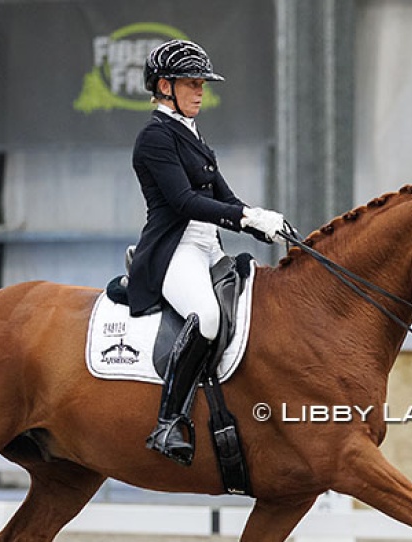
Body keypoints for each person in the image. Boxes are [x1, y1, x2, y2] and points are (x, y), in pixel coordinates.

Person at [127, 39, 284, 465]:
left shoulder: (191, 134)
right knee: (209, 318)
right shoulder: (155, 137)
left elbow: (221, 194)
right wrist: (245, 217)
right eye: (191, 83)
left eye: (201, 84)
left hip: (207, 246)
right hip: (174, 248)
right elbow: (183, 202)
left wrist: (263, 222)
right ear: (164, 86)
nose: (200, 91)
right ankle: (168, 422)